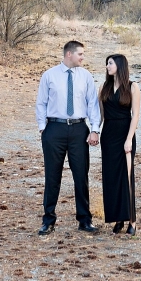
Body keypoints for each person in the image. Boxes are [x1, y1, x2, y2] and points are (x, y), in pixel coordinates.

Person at [35, 40, 101, 235]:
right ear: (69, 54)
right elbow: (41, 103)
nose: (83, 57)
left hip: (79, 129)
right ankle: (48, 220)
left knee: (81, 175)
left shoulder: (86, 76)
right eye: (80, 54)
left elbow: (92, 104)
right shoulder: (50, 75)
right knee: (52, 176)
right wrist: (42, 128)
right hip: (54, 129)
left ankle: (84, 220)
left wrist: (94, 129)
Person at [99, 53, 140, 236]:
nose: (107, 66)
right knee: (111, 178)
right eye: (107, 63)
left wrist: (129, 139)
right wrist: (93, 131)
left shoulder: (132, 87)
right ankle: (118, 219)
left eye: (110, 63)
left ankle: (132, 221)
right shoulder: (103, 87)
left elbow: (136, 115)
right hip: (108, 136)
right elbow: (100, 115)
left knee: (127, 176)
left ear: (120, 65)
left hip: (125, 134)